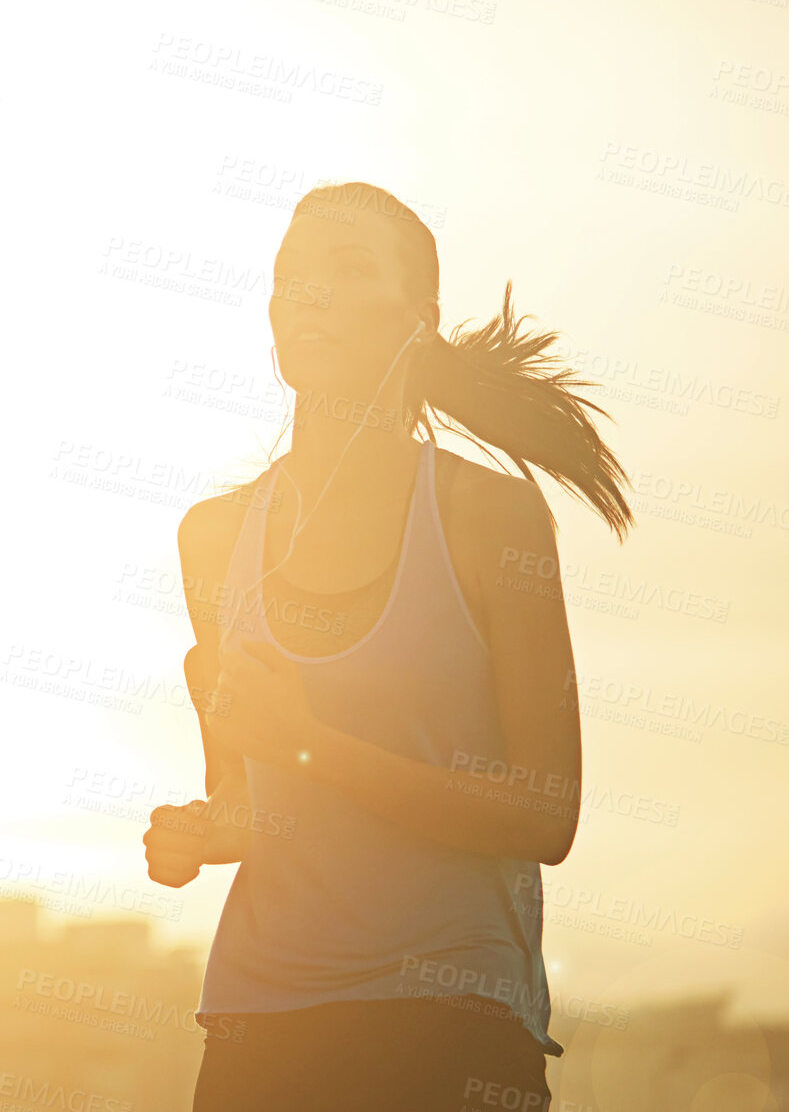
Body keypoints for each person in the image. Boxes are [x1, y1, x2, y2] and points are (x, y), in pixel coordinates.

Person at [142, 181, 634, 1111]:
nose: (306, 296)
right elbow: (250, 801)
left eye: (347, 270)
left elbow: (547, 813)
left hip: (453, 1023)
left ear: (419, 316)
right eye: (289, 276)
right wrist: (198, 832)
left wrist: (309, 741)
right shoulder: (212, 537)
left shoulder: (492, 517)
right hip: (259, 1021)